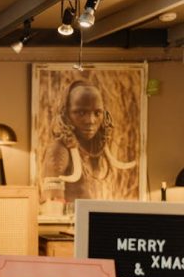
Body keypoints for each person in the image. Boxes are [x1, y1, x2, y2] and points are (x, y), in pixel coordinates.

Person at [41, 80, 136, 210]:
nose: (91, 121)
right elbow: (51, 207)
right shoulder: (59, 150)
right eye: (81, 113)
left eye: (97, 113)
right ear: (66, 114)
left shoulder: (92, 148)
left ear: (105, 114)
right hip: (71, 228)